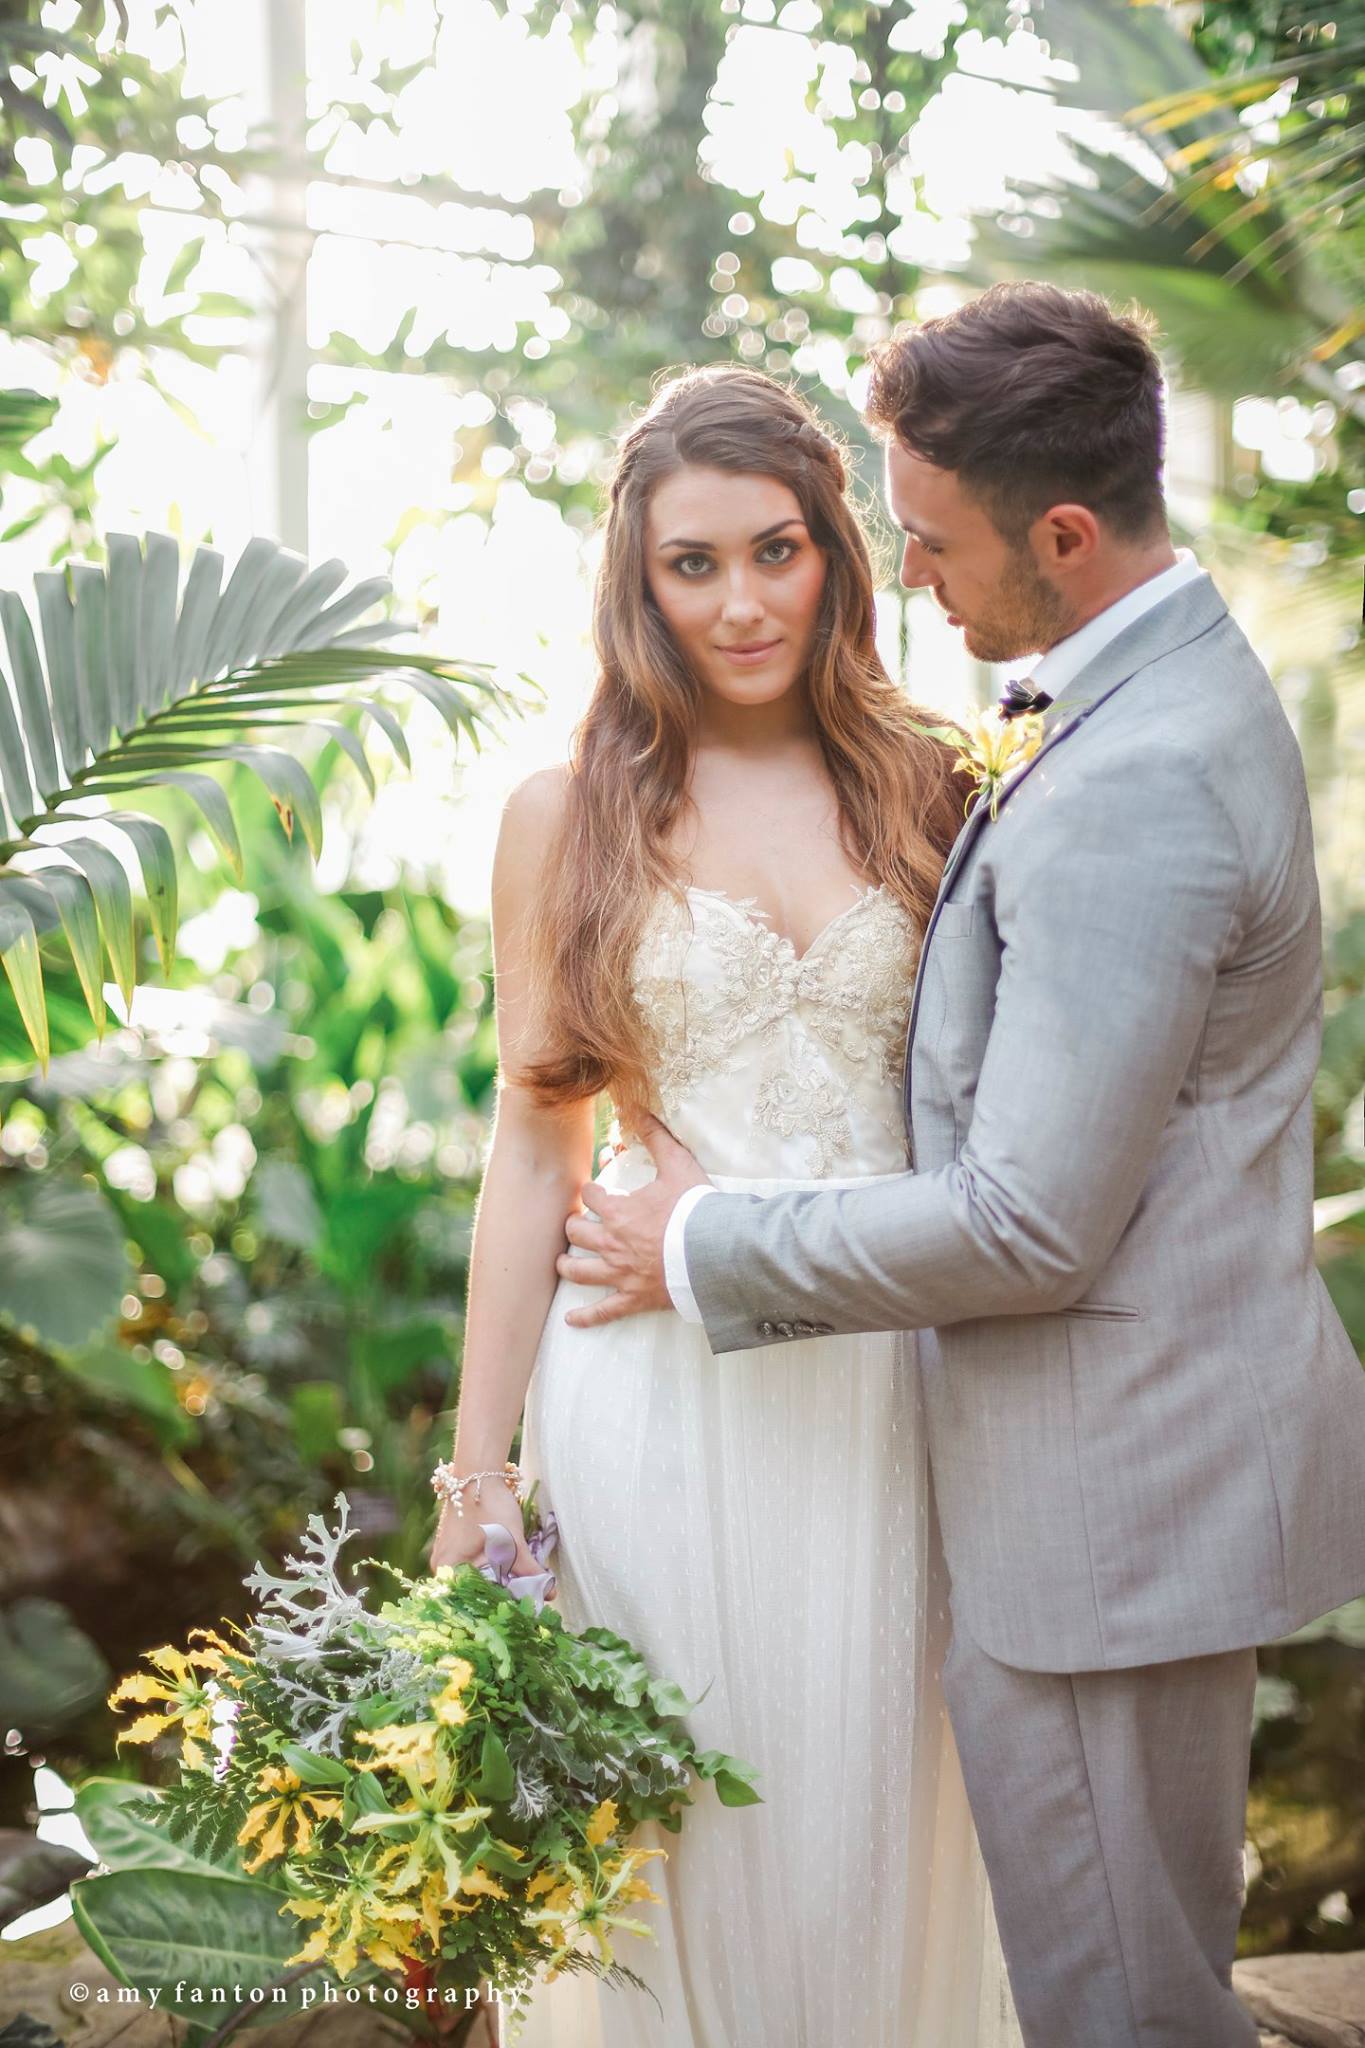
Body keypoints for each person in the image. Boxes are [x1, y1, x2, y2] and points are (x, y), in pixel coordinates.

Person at [554, 281, 1365, 2048]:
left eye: (919, 540)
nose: (905, 576)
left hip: (1101, 1507)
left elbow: (1027, 1222)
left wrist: (701, 1242)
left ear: (1061, 534)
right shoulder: (1153, 695)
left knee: (1115, 2016)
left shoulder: (1131, 776)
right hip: (1083, 1476)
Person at [429, 361, 1022, 2047]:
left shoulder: (936, 786)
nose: (742, 600)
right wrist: (480, 1481)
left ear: (836, 549)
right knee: (668, 1847)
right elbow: (529, 1163)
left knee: (875, 1838)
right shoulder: (570, 816)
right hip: (646, 1410)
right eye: (693, 564)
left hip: (889, 1391)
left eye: (776, 549)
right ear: (639, 579)